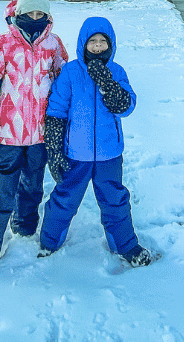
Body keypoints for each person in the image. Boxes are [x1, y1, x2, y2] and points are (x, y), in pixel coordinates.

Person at [0, 0, 68, 283]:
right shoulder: (3, 44)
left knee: (33, 186)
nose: (35, 17)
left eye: (41, 13)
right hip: (8, 136)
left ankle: (24, 227)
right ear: (19, 12)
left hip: (40, 135)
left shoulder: (55, 45)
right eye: (30, 12)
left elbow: (64, 86)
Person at [37, 15, 154, 267]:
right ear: (83, 43)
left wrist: (105, 79)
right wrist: (55, 149)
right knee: (64, 198)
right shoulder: (70, 72)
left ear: (110, 45)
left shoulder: (116, 71)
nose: (98, 46)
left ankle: (125, 245)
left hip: (108, 154)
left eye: (103, 41)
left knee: (115, 200)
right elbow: (56, 110)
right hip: (75, 153)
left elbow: (125, 106)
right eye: (93, 41)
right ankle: (49, 241)